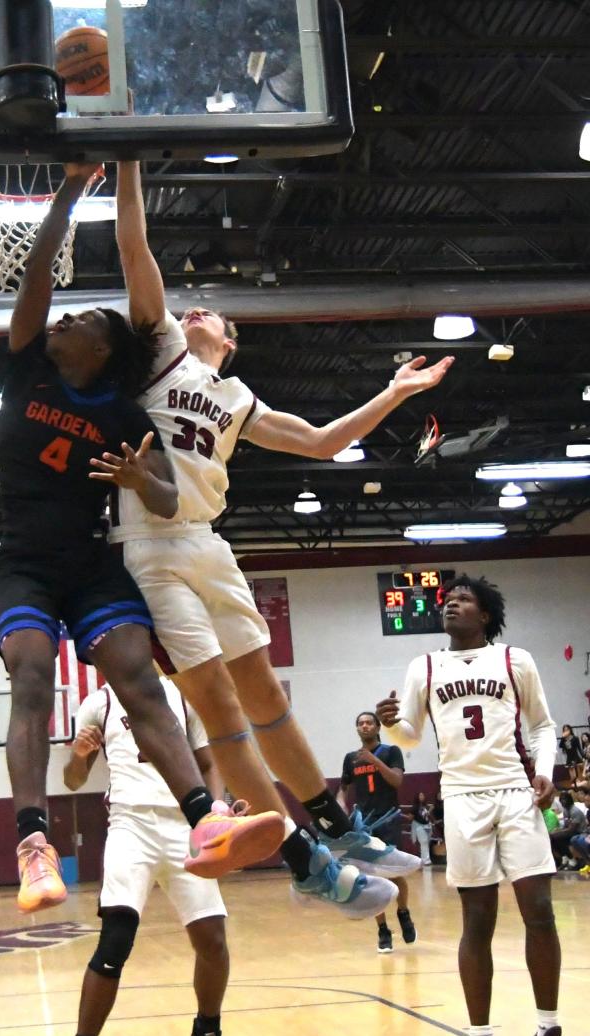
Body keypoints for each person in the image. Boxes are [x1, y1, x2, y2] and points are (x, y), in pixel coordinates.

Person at [107, 159, 455, 916]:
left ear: (230, 340)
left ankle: (336, 826)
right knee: (222, 708)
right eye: (190, 304)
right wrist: (127, 161)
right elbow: (136, 248)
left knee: (266, 694)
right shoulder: (160, 348)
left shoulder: (237, 397)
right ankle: (305, 862)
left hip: (208, 543)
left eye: (211, 312)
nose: (195, 308)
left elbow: (326, 443)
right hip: (150, 546)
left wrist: (393, 394)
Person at [0, 163, 283, 915]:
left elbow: (164, 494)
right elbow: (36, 273)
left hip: (91, 566)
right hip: (27, 564)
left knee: (140, 680)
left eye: (80, 320)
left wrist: (136, 480)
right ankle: (33, 843)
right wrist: (67, 191)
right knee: (29, 676)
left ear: (103, 350)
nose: (63, 321)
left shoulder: (126, 418)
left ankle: (206, 822)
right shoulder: (30, 367)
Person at [376, 574, 578, 1036]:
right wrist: (390, 727)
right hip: (462, 797)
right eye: (447, 600)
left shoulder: (516, 660)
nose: (450, 605)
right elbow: (412, 736)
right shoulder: (424, 666)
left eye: (462, 600)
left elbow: (542, 726)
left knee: (540, 912)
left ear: (485, 614)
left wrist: (545, 770)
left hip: (515, 792)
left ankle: (548, 1034)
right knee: (478, 922)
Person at [59, 677, 243, 1036]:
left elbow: (208, 763)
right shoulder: (97, 704)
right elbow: (71, 780)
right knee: (114, 944)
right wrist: (79, 755)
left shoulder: (182, 697)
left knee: (213, 942)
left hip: (185, 825)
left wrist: (216, 810)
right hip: (130, 825)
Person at [338, 712, 416, 952]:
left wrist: (373, 760)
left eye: (369, 722)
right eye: (360, 723)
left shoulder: (391, 751)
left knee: (394, 874)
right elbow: (342, 790)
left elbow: (396, 781)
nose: (364, 725)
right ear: (357, 729)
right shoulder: (350, 758)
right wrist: (340, 806)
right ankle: (383, 930)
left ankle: (403, 911)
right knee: (372, 878)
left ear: (377, 727)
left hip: (388, 819)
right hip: (364, 826)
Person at [547, 790, 588, 870]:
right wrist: (558, 830)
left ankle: (573, 861)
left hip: (581, 832)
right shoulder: (566, 810)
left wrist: (558, 832)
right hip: (572, 831)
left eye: (565, 799)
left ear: (570, 799)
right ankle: (565, 858)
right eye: (561, 799)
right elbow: (566, 826)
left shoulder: (575, 811)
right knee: (552, 837)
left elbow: (572, 829)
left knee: (557, 836)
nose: (563, 801)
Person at [411, 791, 433, 867]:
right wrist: (402, 815)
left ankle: (424, 859)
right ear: (417, 797)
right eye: (420, 795)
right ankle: (426, 861)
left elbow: (426, 816)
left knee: (426, 843)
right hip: (419, 826)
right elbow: (411, 817)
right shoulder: (414, 807)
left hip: (427, 826)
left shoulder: (425, 806)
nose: (422, 797)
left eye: (423, 795)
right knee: (423, 842)